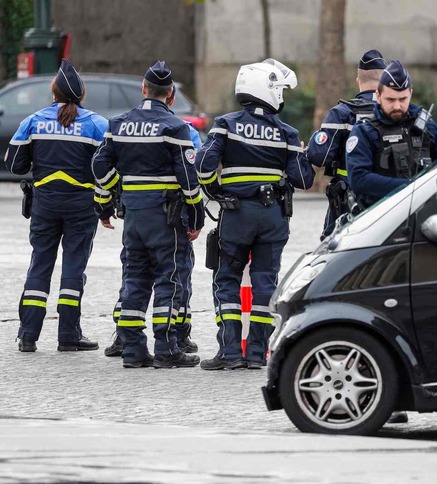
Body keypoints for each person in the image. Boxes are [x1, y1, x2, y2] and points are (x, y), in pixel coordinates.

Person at [196, 59, 314, 371]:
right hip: (273, 216)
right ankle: (257, 353)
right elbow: (304, 180)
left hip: (237, 214)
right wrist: (299, 153)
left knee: (227, 280)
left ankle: (230, 351)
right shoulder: (287, 132)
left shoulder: (225, 123)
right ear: (269, 90)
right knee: (265, 284)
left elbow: (204, 165)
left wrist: (215, 190)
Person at [93, 60, 205, 369]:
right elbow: (188, 178)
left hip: (134, 215)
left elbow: (99, 165)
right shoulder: (176, 128)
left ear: (144, 89)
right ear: (170, 94)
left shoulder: (118, 124)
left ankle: (132, 350)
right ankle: (167, 350)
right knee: (168, 280)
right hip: (166, 217)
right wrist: (196, 217)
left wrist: (108, 199)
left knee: (135, 280)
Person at [5, 59, 107, 353]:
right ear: (82, 95)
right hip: (81, 205)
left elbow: (14, 163)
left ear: (54, 93)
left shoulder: (34, 121)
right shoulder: (97, 124)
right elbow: (108, 164)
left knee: (40, 263)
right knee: (74, 266)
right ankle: (68, 335)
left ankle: (28, 334)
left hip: (45, 203)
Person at [346, 60, 437, 208]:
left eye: (403, 99)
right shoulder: (365, 131)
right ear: (378, 95)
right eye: (390, 99)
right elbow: (359, 179)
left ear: (410, 93)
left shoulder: (424, 123)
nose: (397, 106)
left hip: (422, 212)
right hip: (380, 214)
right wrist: (411, 187)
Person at [308, 49, 387, 239]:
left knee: (333, 249)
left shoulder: (343, 113)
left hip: (346, 198)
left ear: (358, 81)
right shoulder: (397, 114)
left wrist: (314, 140)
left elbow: (320, 156)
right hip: (388, 197)